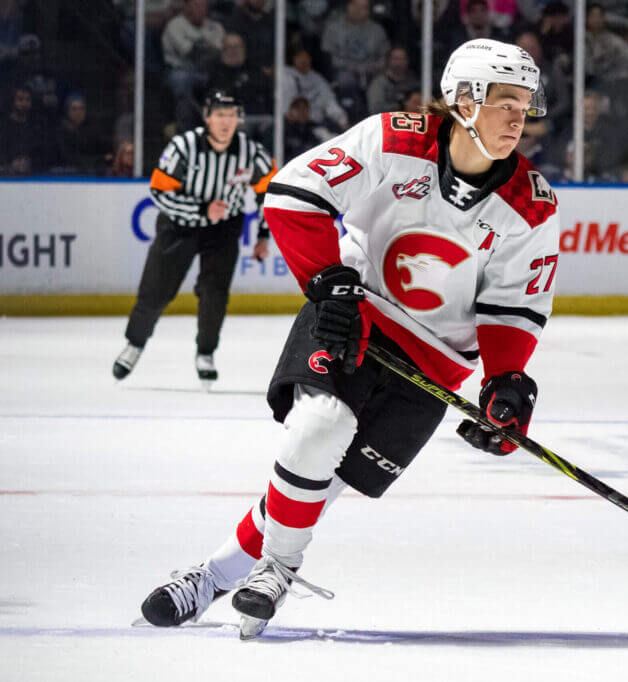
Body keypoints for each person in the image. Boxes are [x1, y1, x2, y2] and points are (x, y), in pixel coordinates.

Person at [137, 38, 559, 640]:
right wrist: (329, 284)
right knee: (318, 430)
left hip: (434, 368)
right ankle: (276, 570)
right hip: (353, 320)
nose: (520, 119)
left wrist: (506, 380)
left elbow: (514, 304)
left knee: (316, 483)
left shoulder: (533, 205)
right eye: (506, 102)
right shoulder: (393, 140)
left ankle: (212, 575)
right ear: (464, 99)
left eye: (526, 104)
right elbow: (293, 194)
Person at [111, 91, 276, 387]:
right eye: (220, 115)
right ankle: (134, 344)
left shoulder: (251, 152)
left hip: (223, 228)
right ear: (207, 117)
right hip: (179, 226)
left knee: (215, 293)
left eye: (231, 115)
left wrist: (263, 235)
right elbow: (159, 192)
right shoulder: (183, 146)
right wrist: (201, 209)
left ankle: (206, 353)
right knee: (156, 290)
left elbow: (271, 193)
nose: (226, 122)